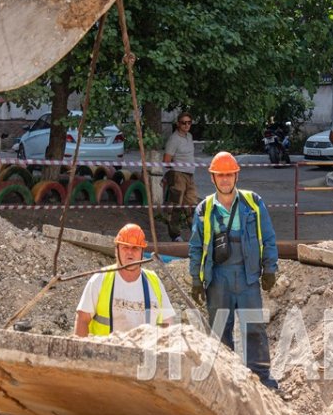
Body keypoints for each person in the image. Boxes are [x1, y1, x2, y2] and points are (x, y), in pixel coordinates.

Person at [187, 151, 280, 389]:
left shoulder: (253, 202)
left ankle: (261, 378)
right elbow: (196, 246)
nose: (225, 180)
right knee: (219, 331)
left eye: (229, 174)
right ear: (213, 178)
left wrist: (270, 268)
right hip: (218, 278)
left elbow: (268, 237)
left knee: (254, 327)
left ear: (236, 176)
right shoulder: (204, 209)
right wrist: (196, 279)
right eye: (221, 175)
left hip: (247, 275)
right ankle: (223, 381)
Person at [75, 224, 176, 336]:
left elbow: (168, 323)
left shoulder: (153, 281)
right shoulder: (101, 278)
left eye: (135, 248)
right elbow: (82, 320)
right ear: (116, 250)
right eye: (125, 247)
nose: (130, 253)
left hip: (144, 351)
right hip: (106, 352)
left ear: (142, 252)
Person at [162, 112, 198, 242]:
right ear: (178, 124)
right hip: (178, 176)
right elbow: (166, 161)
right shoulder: (174, 139)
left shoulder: (189, 136)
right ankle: (175, 235)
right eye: (183, 122)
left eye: (189, 122)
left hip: (190, 175)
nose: (186, 125)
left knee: (192, 206)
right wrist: (177, 168)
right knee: (175, 207)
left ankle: (196, 233)